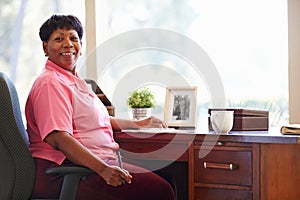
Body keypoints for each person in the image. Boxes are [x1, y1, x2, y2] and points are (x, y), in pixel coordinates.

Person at [25, 14, 176, 200]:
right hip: (65, 173)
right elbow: (59, 138)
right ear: (45, 47)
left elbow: (99, 121)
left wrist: (138, 123)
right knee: (160, 191)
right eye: (59, 39)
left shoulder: (74, 80)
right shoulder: (50, 83)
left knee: (172, 177)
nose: (68, 44)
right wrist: (103, 169)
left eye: (73, 38)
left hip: (86, 166)